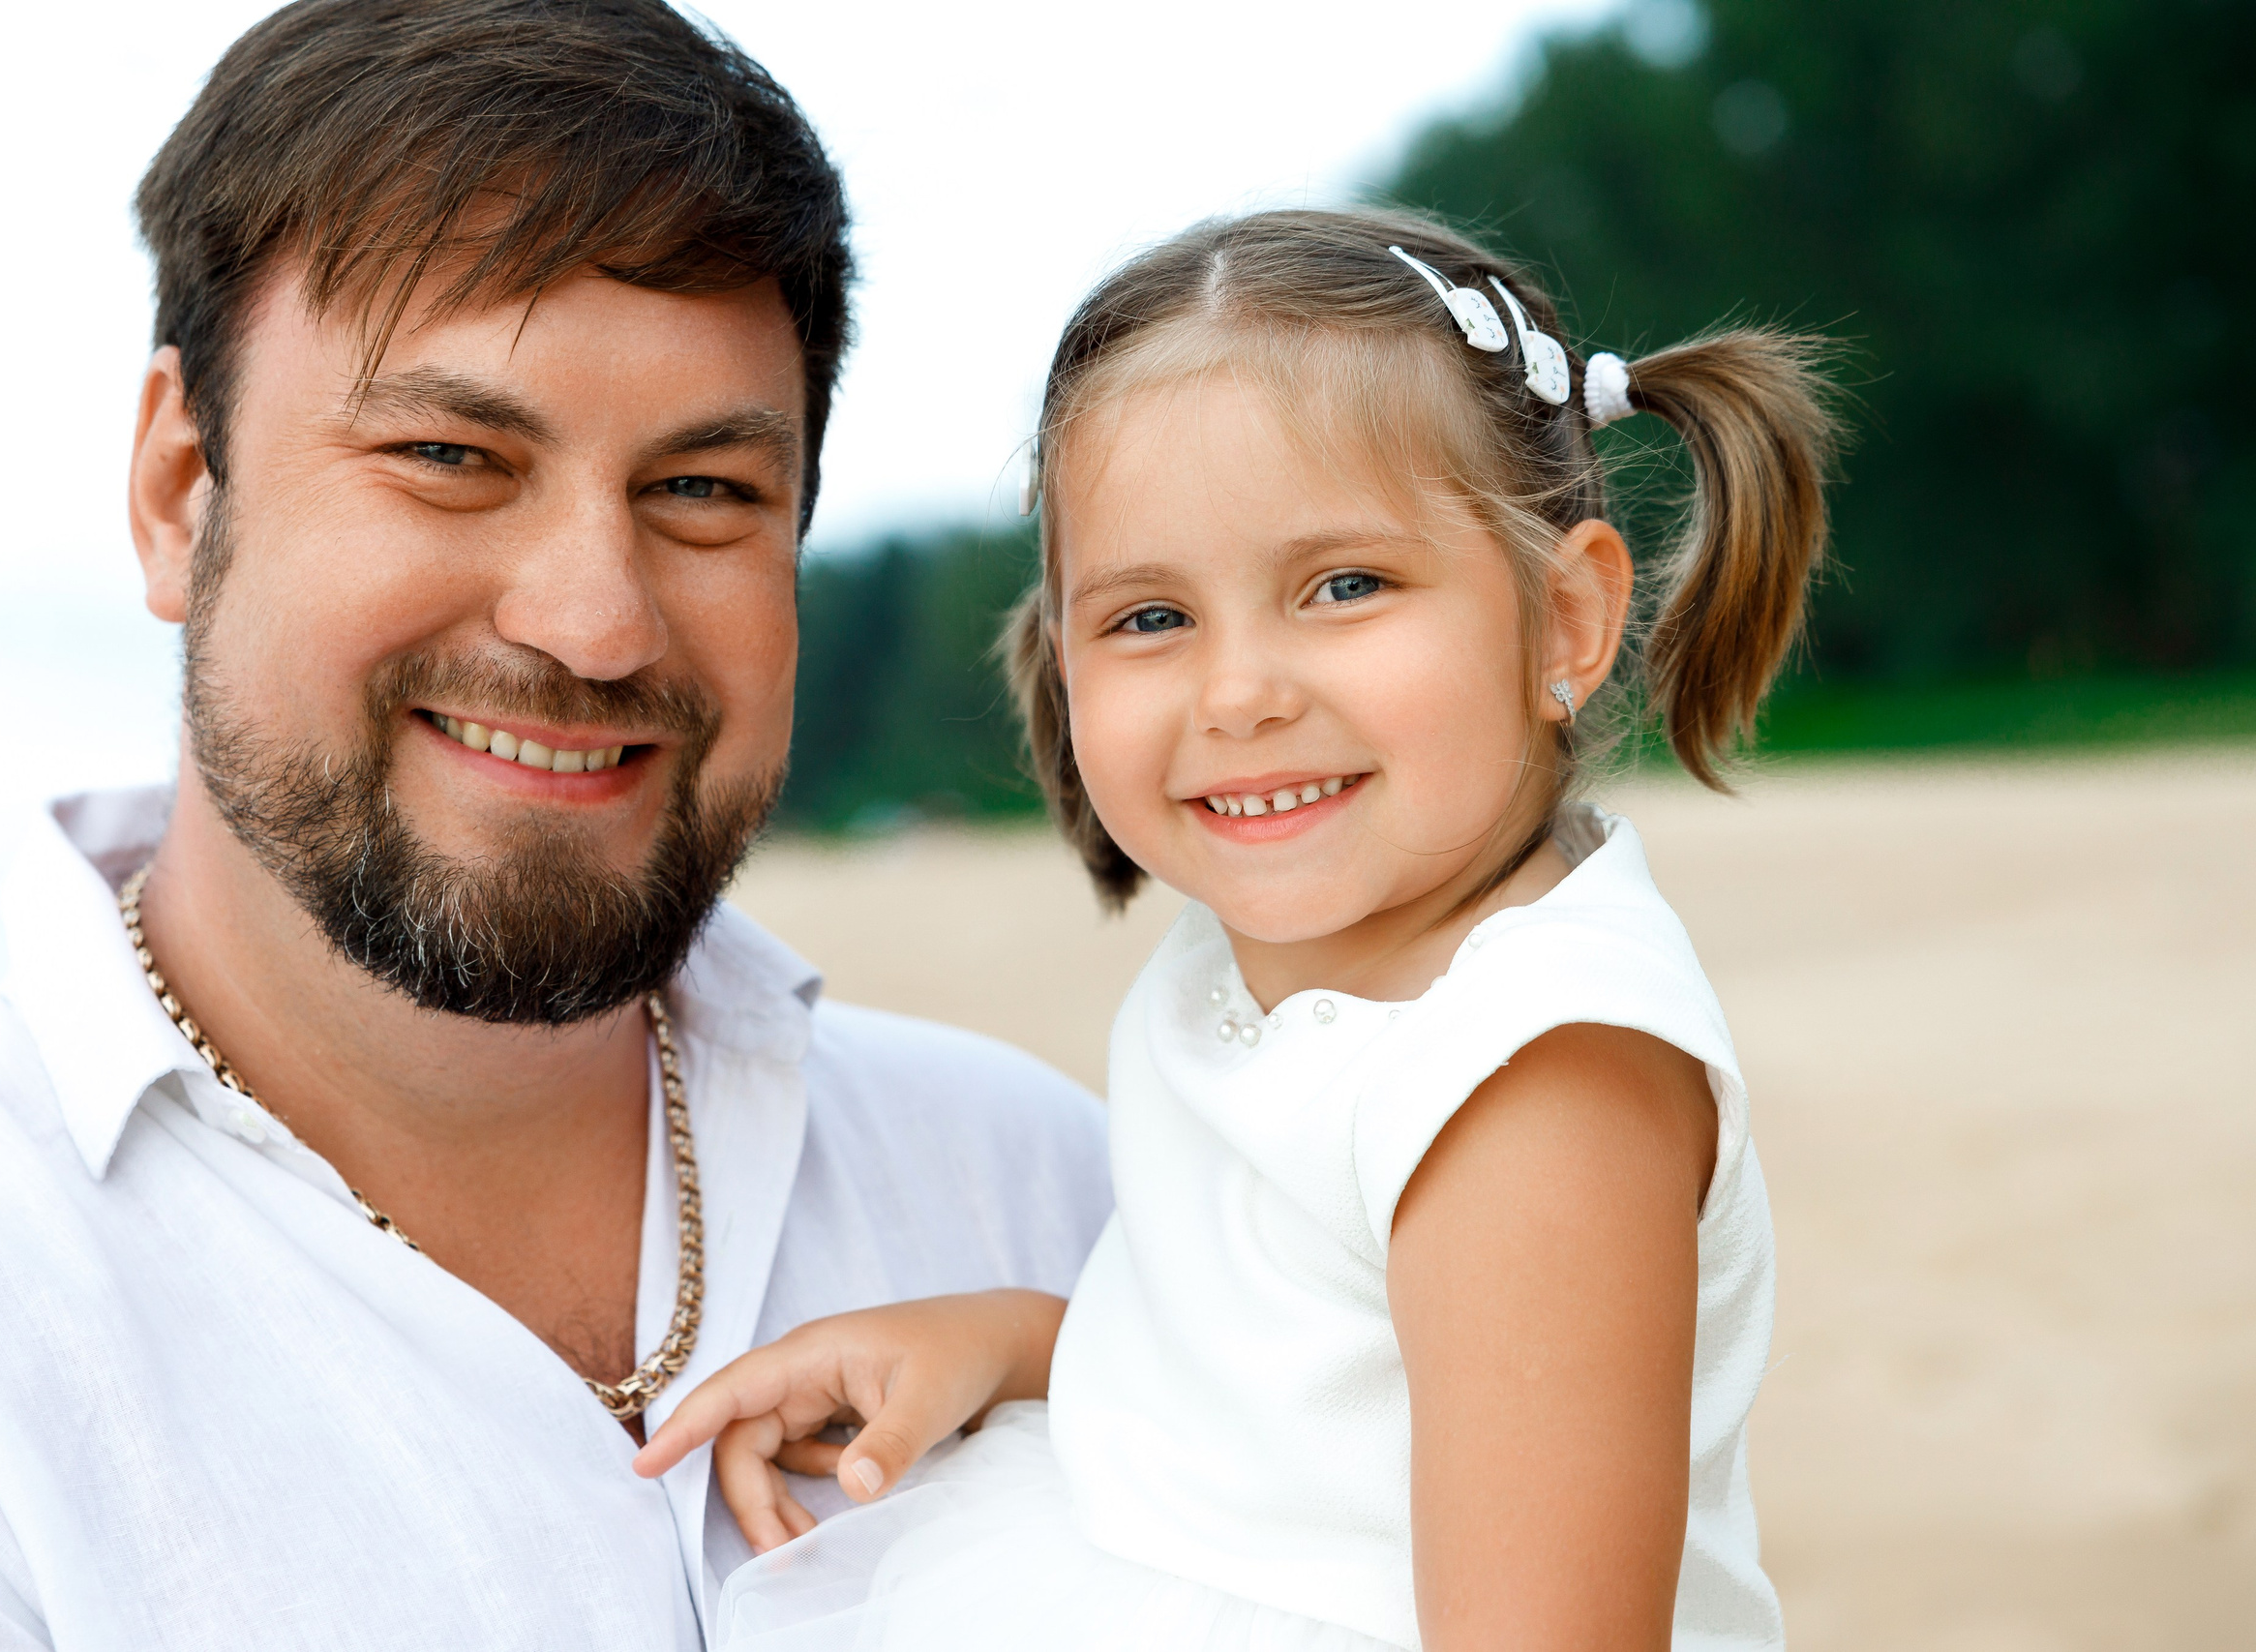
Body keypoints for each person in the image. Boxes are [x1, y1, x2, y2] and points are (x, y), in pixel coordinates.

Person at [0, 3, 1112, 1647]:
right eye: (449, 455)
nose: (595, 623)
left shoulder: (1050, 1186)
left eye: (703, 490)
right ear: (181, 492)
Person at [633, 205, 1840, 1651]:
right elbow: (1299, 1394)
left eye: (1346, 586)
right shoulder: (1280, 960)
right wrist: (1004, 1343)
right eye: (1151, 618)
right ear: (1065, 657)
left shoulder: (1532, 1086)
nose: (1240, 694)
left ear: (1565, 618)